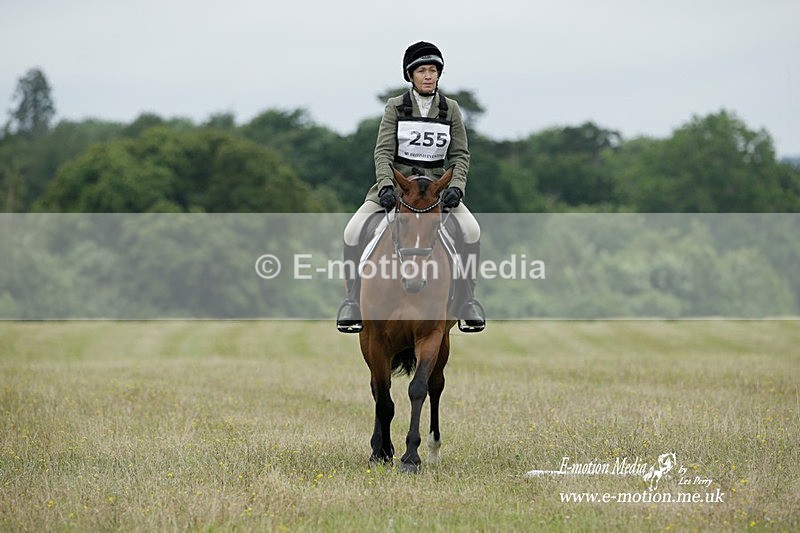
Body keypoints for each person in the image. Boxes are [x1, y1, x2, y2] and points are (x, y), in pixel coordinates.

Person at [336, 41, 485, 333]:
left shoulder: (450, 109)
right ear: (411, 75)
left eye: (433, 70)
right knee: (352, 231)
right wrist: (386, 186)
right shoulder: (395, 106)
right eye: (422, 71)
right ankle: (353, 302)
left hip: (436, 192)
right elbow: (382, 152)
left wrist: (456, 185)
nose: (428, 76)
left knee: (472, 230)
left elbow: (460, 155)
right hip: (397, 188)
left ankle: (467, 300)